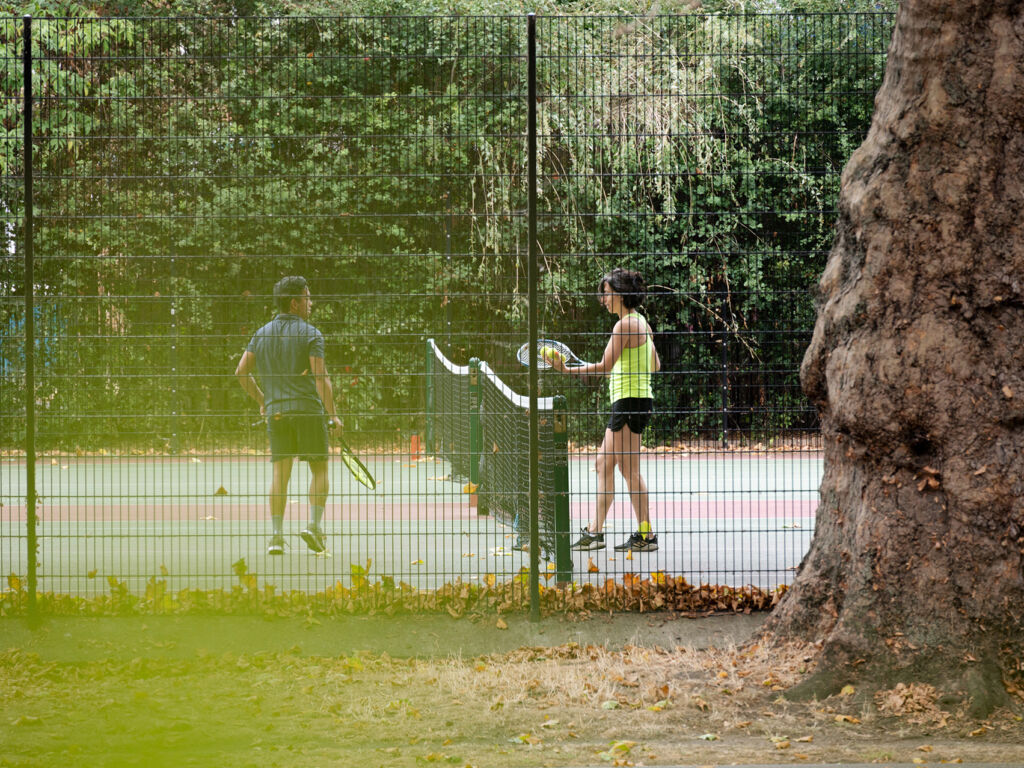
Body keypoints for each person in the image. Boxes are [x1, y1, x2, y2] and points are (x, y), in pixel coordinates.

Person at [546, 268, 661, 552]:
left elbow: (603, 367)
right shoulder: (641, 323)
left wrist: (565, 369)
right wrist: (628, 369)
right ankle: (595, 532)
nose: (604, 300)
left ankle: (645, 535)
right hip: (633, 401)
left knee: (629, 470)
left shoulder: (624, 326)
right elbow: (655, 364)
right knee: (604, 464)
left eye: (607, 294)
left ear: (621, 295)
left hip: (629, 402)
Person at [235, 276, 342, 555]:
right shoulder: (311, 334)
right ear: (294, 303)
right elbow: (321, 377)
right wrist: (333, 416)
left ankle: (276, 537)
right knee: (319, 468)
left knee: (280, 474)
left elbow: (240, 373)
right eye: (307, 298)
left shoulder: (261, 334)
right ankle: (314, 527)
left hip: (277, 412)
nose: (311, 303)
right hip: (308, 410)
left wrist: (264, 401)